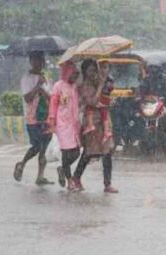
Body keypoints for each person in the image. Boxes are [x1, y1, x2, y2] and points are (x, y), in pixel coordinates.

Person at [72, 59, 118, 193]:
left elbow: (103, 97)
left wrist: (108, 99)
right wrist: (100, 86)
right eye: (91, 70)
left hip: (104, 121)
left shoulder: (98, 82)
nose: (93, 73)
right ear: (85, 72)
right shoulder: (84, 86)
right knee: (89, 152)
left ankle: (107, 184)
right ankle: (76, 177)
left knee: (107, 151)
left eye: (95, 70)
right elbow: (92, 101)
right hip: (92, 122)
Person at [14, 51, 53, 186]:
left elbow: (51, 98)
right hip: (33, 118)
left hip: (46, 118)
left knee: (44, 148)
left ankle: (40, 176)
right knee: (37, 146)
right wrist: (38, 86)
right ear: (31, 61)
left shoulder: (46, 78)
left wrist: (44, 91)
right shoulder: (26, 78)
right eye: (36, 60)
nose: (39, 63)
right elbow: (27, 98)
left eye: (41, 60)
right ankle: (22, 164)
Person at [48, 61, 82, 192]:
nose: (76, 77)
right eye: (74, 74)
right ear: (67, 72)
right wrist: (52, 122)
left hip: (73, 125)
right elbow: (53, 105)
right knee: (66, 153)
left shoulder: (74, 87)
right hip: (62, 124)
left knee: (76, 152)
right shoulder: (58, 86)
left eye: (77, 74)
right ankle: (69, 181)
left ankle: (62, 169)